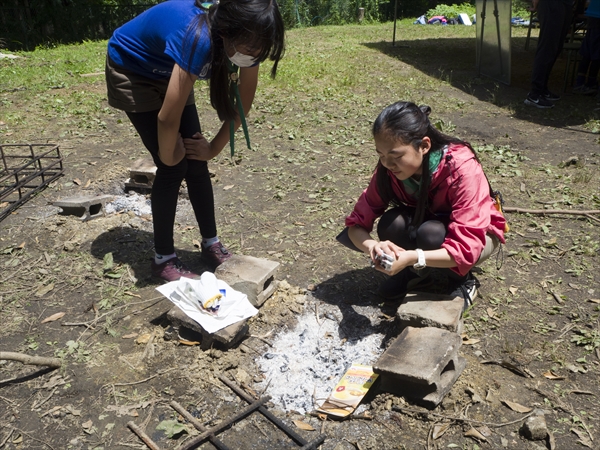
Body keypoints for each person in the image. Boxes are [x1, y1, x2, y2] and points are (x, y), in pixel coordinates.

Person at [105, 0, 285, 281]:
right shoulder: (198, 38)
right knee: (174, 167)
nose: (256, 54)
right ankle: (163, 260)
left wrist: (212, 148)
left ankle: (211, 244)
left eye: (261, 49)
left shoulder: (250, 41)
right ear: (227, 31)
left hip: (174, 67)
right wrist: (168, 156)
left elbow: (242, 106)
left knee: (196, 160)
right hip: (133, 67)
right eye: (250, 48)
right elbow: (166, 119)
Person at [337, 101, 507, 311]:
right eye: (381, 155)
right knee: (392, 224)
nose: (387, 164)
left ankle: (462, 281)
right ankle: (411, 274)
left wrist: (412, 257)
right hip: (431, 220)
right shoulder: (388, 171)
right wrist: (373, 246)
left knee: (431, 234)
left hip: (477, 235)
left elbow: (466, 247)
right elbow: (355, 225)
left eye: (396, 156)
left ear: (424, 146)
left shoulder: (461, 168)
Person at [524, 0, 573, 108]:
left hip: (565, 4)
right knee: (547, 48)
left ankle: (542, 89)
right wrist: (536, 3)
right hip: (550, 4)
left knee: (555, 48)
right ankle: (534, 94)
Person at [573, 0, 600, 95]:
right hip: (597, 15)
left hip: (593, 14)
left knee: (588, 52)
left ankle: (580, 82)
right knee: (597, 54)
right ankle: (590, 83)